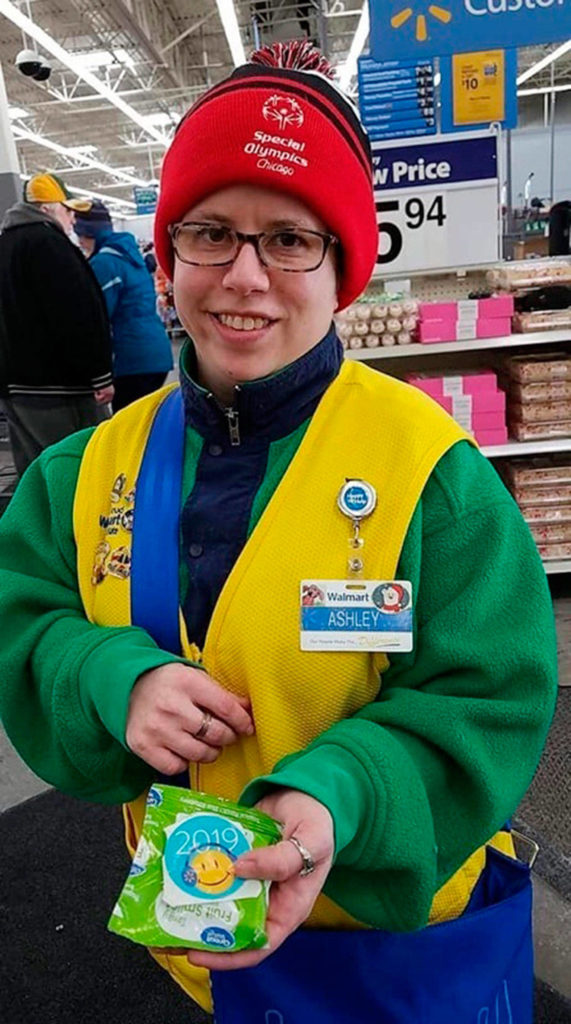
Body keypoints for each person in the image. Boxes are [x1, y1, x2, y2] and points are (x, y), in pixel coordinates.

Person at [0, 40, 557, 1023]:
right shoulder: (79, 477)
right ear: (166, 258)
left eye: (290, 238)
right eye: (210, 233)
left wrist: (338, 793)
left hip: (389, 940)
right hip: (190, 932)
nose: (244, 276)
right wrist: (107, 675)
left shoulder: (433, 479)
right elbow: (26, 623)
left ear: (342, 262)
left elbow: (488, 699)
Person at [0, 172, 113, 477]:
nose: (73, 218)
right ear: (48, 208)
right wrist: (99, 373)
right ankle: (73, 526)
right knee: (76, 469)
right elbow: (76, 314)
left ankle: (35, 526)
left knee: (34, 474)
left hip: (14, 387)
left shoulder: (5, 245)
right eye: (67, 209)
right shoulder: (49, 245)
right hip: (58, 388)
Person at [74, 201, 173, 412]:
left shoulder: (104, 263)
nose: (80, 242)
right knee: (146, 421)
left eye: (80, 234)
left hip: (131, 357)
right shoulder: (130, 256)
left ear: (88, 233)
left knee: (128, 428)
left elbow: (98, 317)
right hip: (155, 352)